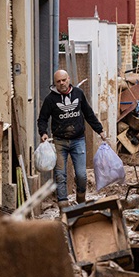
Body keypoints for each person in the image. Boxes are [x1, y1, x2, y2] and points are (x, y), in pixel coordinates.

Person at [37, 69, 106, 209]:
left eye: (64, 80)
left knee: (81, 175)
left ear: (68, 79)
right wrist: (43, 132)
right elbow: (42, 119)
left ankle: (81, 200)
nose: (62, 83)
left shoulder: (78, 94)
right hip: (59, 142)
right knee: (60, 175)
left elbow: (88, 114)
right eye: (58, 81)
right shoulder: (50, 99)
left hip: (78, 140)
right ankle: (64, 208)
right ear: (55, 83)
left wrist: (100, 130)